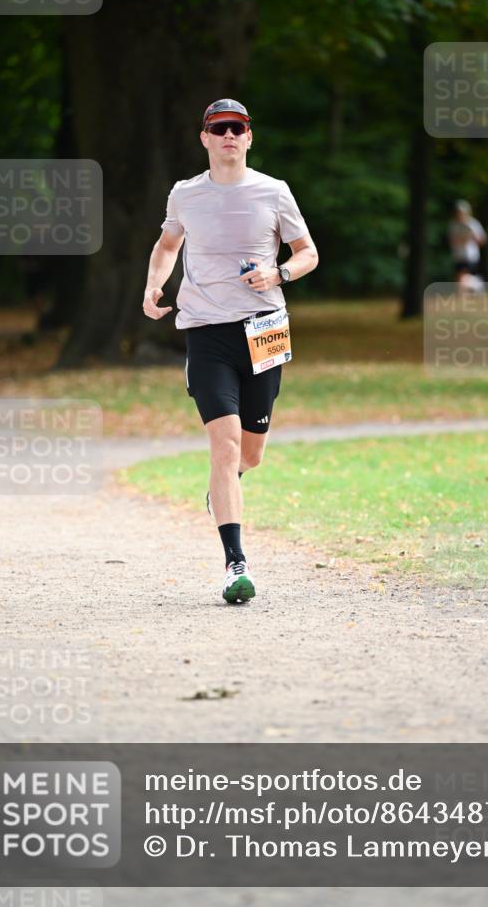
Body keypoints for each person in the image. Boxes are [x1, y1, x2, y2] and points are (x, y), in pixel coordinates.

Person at [143, 99, 318, 604]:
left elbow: (308, 253)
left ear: (248, 136)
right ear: (204, 138)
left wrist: (279, 272)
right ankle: (235, 564)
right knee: (223, 448)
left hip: (265, 329)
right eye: (218, 128)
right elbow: (167, 246)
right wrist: (154, 287)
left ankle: (225, 490)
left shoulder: (274, 191)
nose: (227, 136)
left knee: (250, 455)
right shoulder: (186, 194)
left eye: (236, 128)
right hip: (206, 331)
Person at [447, 200, 486, 292]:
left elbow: (482, 240)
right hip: (458, 256)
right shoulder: (453, 224)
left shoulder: (473, 223)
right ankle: (477, 283)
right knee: (460, 279)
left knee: (462, 278)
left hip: (470, 256)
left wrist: (472, 237)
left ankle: (464, 296)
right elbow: (451, 240)